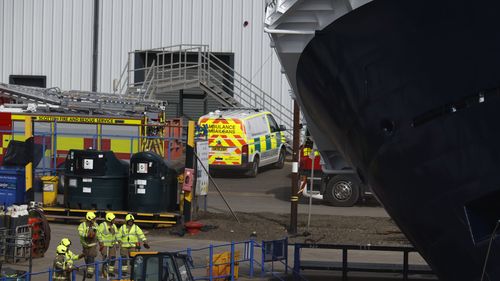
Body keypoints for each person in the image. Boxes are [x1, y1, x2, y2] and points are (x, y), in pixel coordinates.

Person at [78, 211, 99, 278]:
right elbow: (80, 233)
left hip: (92, 245)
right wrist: (87, 235)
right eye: (93, 219)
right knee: (86, 258)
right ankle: (89, 268)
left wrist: (94, 233)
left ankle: (90, 273)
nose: (94, 220)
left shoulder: (96, 225)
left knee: (91, 257)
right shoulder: (82, 225)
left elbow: (98, 232)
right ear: (89, 219)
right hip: (85, 245)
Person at [97, 212, 119, 277]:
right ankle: (104, 272)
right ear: (109, 219)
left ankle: (110, 272)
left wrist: (117, 243)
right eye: (113, 219)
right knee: (105, 258)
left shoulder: (114, 226)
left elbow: (116, 235)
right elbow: (98, 234)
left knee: (113, 258)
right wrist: (101, 242)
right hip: (104, 245)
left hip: (112, 245)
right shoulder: (102, 225)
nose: (114, 220)